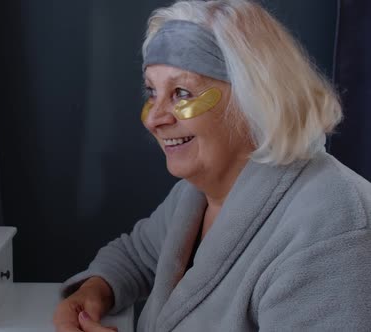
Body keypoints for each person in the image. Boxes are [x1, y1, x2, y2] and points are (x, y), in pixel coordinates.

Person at [53, 0, 371, 331]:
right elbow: (138, 255)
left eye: (181, 93)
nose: (155, 119)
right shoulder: (198, 194)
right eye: (152, 92)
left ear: (256, 98)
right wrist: (92, 293)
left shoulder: (335, 229)